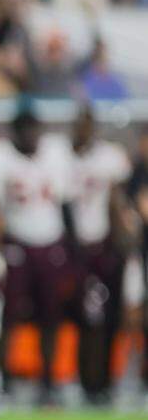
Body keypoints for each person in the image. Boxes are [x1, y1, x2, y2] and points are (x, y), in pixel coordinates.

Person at [0, 110, 72, 403]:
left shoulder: (55, 154)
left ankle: (49, 381)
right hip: (17, 245)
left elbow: (66, 203)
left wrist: (71, 248)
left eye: (35, 130)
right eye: (27, 130)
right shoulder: (1, 158)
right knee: (9, 316)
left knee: (50, 315)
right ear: (15, 133)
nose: (32, 137)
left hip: (50, 245)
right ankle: (2, 379)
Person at [65, 107, 132, 404]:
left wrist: (122, 242)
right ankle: (86, 381)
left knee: (109, 317)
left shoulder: (108, 158)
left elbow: (116, 202)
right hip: (74, 249)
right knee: (86, 318)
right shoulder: (61, 158)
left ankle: (104, 380)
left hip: (103, 248)